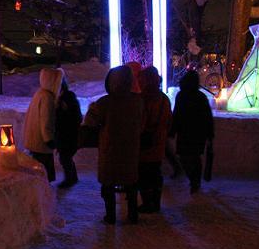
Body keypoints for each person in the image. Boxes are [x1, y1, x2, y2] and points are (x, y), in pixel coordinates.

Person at [82, 66, 144, 224]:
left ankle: (110, 216)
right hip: (131, 150)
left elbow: (90, 122)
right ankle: (132, 214)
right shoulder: (137, 101)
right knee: (131, 184)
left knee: (108, 185)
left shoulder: (104, 103)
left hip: (110, 150)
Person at [170, 70, 214, 194]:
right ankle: (195, 181)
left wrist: (173, 131)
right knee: (194, 157)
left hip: (185, 132)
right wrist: (209, 134)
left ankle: (194, 180)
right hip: (198, 133)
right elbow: (208, 117)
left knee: (186, 157)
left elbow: (176, 114)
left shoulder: (181, 95)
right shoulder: (200, 97)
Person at [138, 66, 172, 213]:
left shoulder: (143, 99)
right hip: (159, 142)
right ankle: (156, 202)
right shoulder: (164, 99)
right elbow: (169, 121)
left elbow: (140, 121)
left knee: (143, 174)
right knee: (155, 173)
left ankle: (147, 203)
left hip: (144, 143)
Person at [24, 68, 64, 182]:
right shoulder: (48, 98)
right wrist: (49, 140)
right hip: (41, 143)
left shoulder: (40, 93)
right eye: (59, 82)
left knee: (39, 173)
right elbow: (46, 121)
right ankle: (45, 197)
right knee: (45, 175)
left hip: (35, 141)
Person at [55, 78, 82, 188]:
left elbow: (69, 116)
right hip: (69, 133)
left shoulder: (66, 98)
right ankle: (73, 177)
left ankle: (69, 179)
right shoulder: (65, 97)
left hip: (67, 133)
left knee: (65, 157)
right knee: (66, 157)